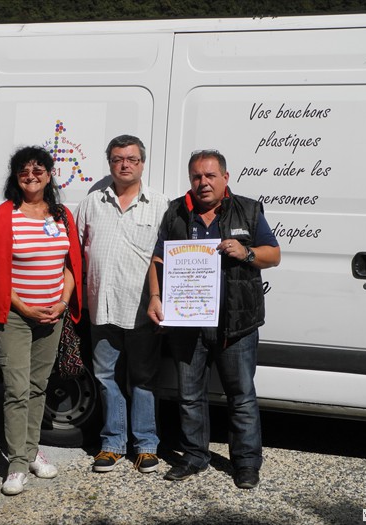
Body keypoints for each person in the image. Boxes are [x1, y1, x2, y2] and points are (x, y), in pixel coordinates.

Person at [147, 149, 280, 488]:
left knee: (242, 397)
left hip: (236, 324)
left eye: (210, 176)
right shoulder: (176, 211)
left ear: (225, 178)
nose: (203, 183)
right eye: (196, 177)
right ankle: (194, 456)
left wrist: (246, 252)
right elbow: (158, 259)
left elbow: (274, 255)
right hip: (187, 323)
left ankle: (247, 464)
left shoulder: (248, 210)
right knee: (190, 396)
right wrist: (155, 297)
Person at [0, 146, 82, 496]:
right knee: (16, 390)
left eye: (38, 170)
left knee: (38, 388)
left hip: (53, 316)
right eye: (24, 170)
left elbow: (70, 266)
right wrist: (27, 308)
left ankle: (32, 451)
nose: (31, 176)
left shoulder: (61, 216)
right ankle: (17, 463)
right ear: (16, 177)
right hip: (16, 318)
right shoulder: (3, 217)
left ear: (49, 175)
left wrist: (62, 303)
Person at [76, 135, 170, 474]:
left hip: (143, 309)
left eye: (131, 159)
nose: (125, 164)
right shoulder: (91, 202)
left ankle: (146, 445)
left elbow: (167, 259)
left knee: (143, 378)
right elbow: (76, 254)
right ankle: (112, 443)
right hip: (101, 307)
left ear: (142, 163)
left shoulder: (160, 204)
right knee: (105, 377)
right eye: (118, 159)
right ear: (110, 163)